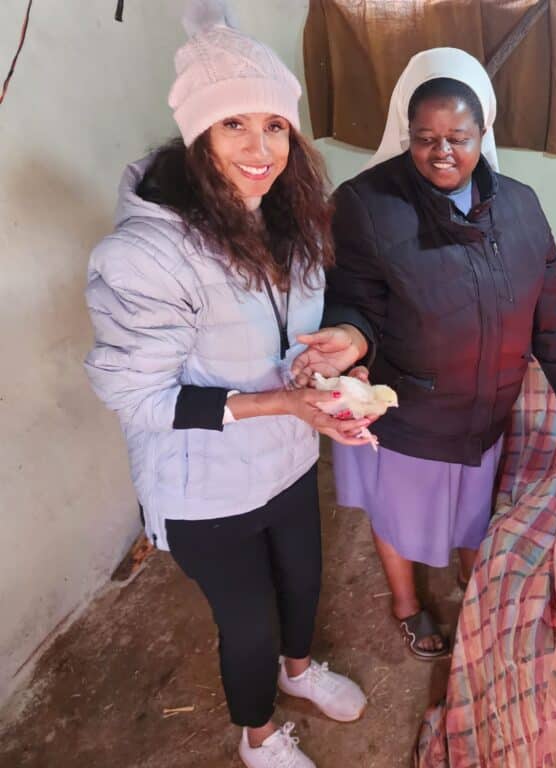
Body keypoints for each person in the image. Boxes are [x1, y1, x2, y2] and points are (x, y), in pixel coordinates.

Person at [84, 4, 372, 766]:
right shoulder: (147, 254)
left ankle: (301, 672)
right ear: (196, 136)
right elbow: (136, 397)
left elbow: (305, 318)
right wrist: (282, 400)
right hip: (203, 484)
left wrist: (338, 348)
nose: (260, 148)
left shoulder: (291, 216)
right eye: (233, 126)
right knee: (248, 623)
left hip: (286, 456)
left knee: (303, 584)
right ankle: (258, 735)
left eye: (275, 125)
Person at [292, 48, 556, 660]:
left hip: (484, 408)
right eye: (424, 139)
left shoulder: (520, 206)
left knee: (472, 510)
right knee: (397, 515)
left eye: (457, 137)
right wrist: (353, 339)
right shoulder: (368, 205)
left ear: (483, 132)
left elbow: (550, 301)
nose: (442, 152)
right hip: (408, 409)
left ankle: (473, 580)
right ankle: (407, 604)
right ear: (405, 137)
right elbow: (355, 297)